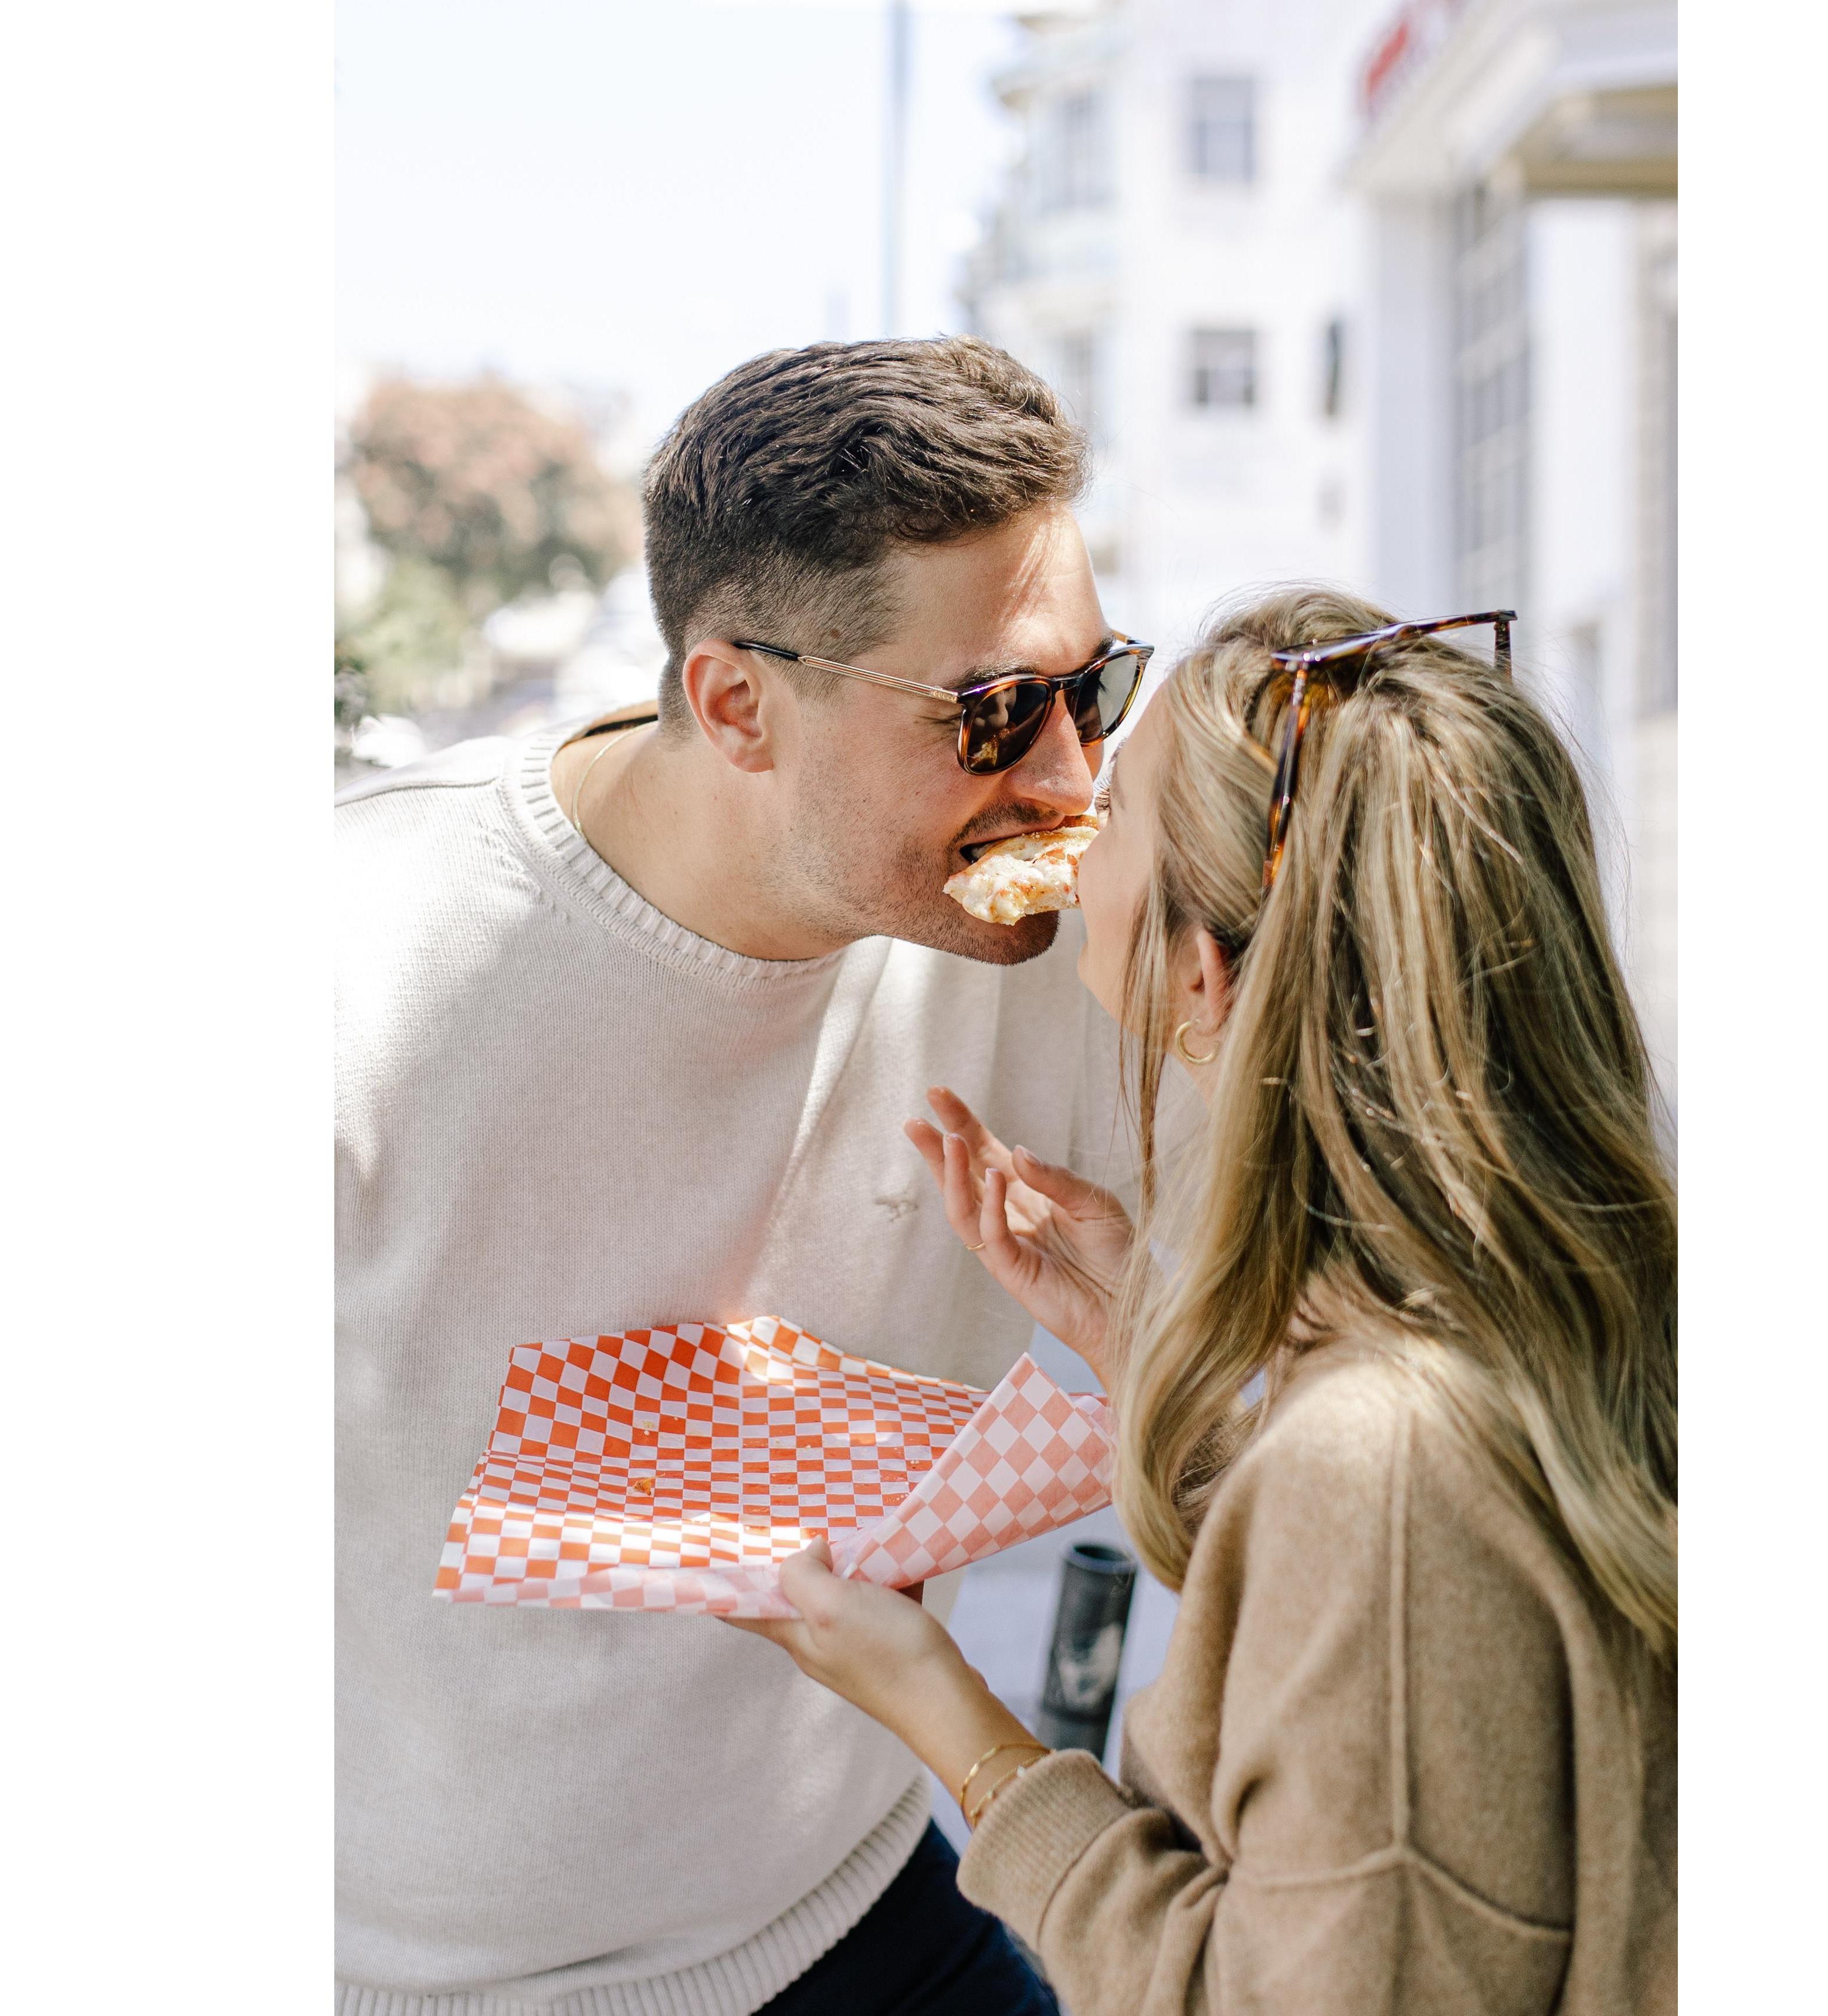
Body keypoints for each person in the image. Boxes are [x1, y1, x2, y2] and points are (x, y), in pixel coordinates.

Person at [335, 337, 1154, 2015]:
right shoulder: (346, 967)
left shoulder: (1065, 934)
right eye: (994, 712)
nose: (1073, 777)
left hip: (846, 1909)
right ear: (733, 701)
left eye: (1095, 684)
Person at [736, 585, 1680, 2014]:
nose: (1063, 805)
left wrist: (946, 1714)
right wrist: (1145, 1352)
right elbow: (1441, 1661)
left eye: (1113, 805)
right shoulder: (1587, 1286)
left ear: (1202, 968)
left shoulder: (1382, 1471)